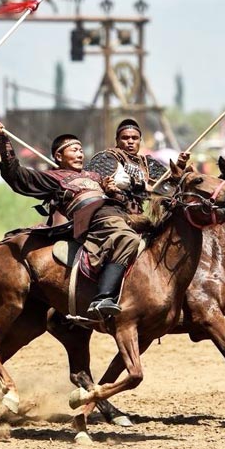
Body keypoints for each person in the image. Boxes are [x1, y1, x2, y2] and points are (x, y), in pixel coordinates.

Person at [0, 117, 138, 318]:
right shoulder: (52, 178)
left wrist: (111, 191)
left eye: (80, 149)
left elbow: (117, 198)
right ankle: (103, 297)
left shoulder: (95, 177)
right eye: (73, 150)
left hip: (114, 212)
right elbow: (15, 175)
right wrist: (2, 138)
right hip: (91, 217)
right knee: (129, 237)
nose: (79, 153)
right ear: (59, 156)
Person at [84, 118, 189, 313]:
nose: (130, 141)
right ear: (117, 140)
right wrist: (117, 187)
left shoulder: (147, 163)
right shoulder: (106, 158)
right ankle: (104, 296)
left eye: (134, 138)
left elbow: (168, 187)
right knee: (127, 240)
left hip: (140, 217)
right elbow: (90, 180)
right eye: (125, 138)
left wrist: (179, 170)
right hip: (111, 215)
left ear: (140, 140)